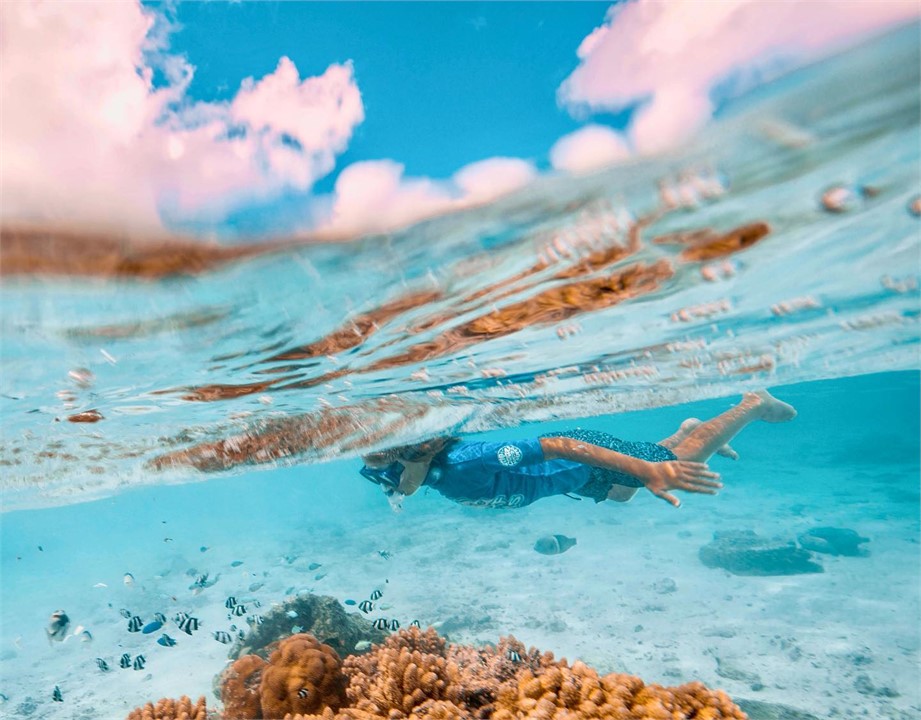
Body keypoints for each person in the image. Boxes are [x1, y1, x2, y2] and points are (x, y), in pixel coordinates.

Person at [360, 390, 796, 511]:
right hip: (584, 476)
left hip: (585, 453)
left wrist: (647, 470)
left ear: (414, 453)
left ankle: (751, 405)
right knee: (622, 494)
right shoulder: (432, 473)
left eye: (387, 468)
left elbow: (561, 446)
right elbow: (409, 487)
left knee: (672, 468)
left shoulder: (469, 460)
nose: (390, 484)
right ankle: (685, 431)